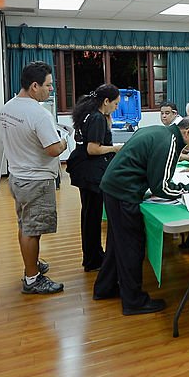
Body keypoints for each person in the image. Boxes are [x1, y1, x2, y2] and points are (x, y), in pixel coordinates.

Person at [94, 115, 189, 315]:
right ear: (188, 133)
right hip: (123, 192)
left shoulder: (160, 132)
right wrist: (188, 189)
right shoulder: (170, 142)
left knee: (116, 243)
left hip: (113, 188)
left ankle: (105, 287)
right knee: (131, 246)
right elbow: (160, 186)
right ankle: (134, 301)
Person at [0, 61, 67, 295]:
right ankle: (32, 278)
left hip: (17, 176)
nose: (51, 90)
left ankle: (32, 265)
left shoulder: (8, 107)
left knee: (25, 225)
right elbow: (53, 149)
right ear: (34, 86)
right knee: (32, 230)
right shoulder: (39, 114)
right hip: (36, 180)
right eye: (48, 86)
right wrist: (64, 142)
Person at [67, 84, 123, 272]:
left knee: (89, 215)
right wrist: (116, 148)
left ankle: (93, 255)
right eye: (115, 104)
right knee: (92, 216)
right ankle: (93, 259)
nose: (116, 108)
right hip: (91, 171)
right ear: (106, 101)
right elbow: (93, 149)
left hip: (83, 168)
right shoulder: (97, 118)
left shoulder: (88, 113)